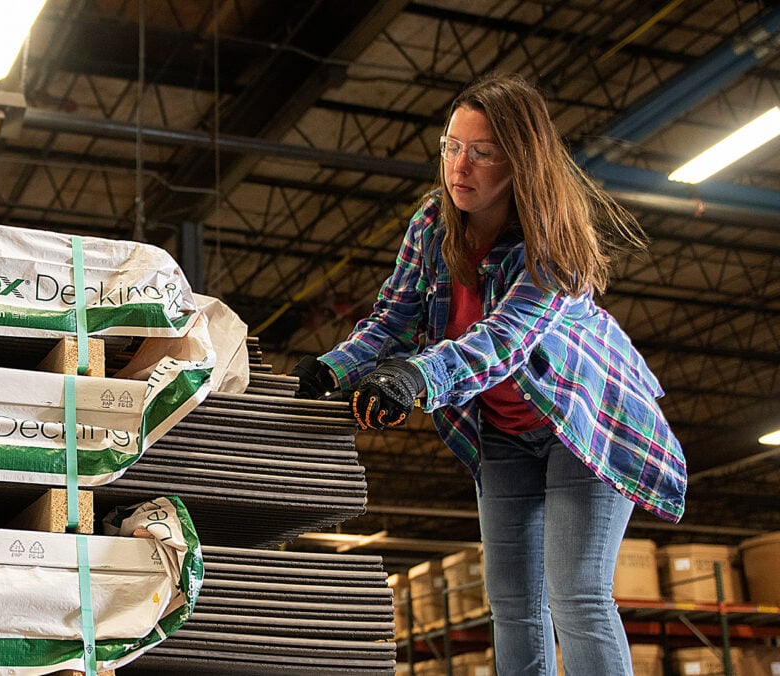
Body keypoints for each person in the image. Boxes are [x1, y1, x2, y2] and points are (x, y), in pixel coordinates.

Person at [292, 73, 686, 675]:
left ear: (520, 162)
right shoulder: (431, 223)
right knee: (510, 602)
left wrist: (415, 381)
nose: (460, 166)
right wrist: (332, 369)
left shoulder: (552, 241)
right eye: (451, 146)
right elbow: (393, 318)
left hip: (583, 424)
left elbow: (501, 341)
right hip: (501, 430)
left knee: (575, 594)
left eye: (482, 153)